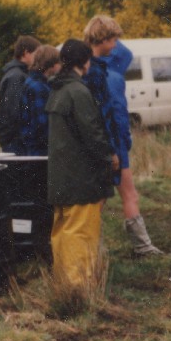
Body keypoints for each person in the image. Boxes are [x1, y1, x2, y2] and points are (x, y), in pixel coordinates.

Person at [82, 16, 162, 256]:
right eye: (114, 38)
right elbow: (117, 116)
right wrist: (122, 145)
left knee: (99, 199)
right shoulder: (112, 77)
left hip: (91, 145)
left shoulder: (82, 71)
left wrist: (96, 28)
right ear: (105, 40)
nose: (117, 44)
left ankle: (92, 246)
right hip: (114, 144)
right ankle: (141, 246)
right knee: (125, 195)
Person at [46, 39, 117, 288]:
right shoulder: (78, 91)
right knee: (81, 232)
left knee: (62, 230)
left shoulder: (56, 89)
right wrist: (108, 160)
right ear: (84, 62)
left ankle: (63, 283)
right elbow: (93, 135)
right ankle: (79, 288)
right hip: (80, 180)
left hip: (59, 178)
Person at [0, 35, 40, 153]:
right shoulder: (16, 77)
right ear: (26, 53)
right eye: (36, 54)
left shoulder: (19, 74)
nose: (38, 59)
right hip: (15, 142)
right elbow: (13, 113)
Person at [17, 45, 60, 157]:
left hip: (32, 147)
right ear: (52, 64)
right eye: (59, 63)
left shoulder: (31, 82)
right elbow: (42, 124)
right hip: (40, 150)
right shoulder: (39, 88)